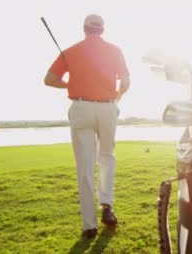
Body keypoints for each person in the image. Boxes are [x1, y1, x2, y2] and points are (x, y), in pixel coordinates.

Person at [44, 14, 130, 239]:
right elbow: (126, 81)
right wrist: (117, 98)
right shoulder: (115, 50)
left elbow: (49, 79)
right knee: (107, 157)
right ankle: (107, 205)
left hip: (81, 107)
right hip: (107, 107)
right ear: (102, 30)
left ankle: (89, 225)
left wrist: (69, 84)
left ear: (84, 29)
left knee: (85, 166)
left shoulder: (70, 51)